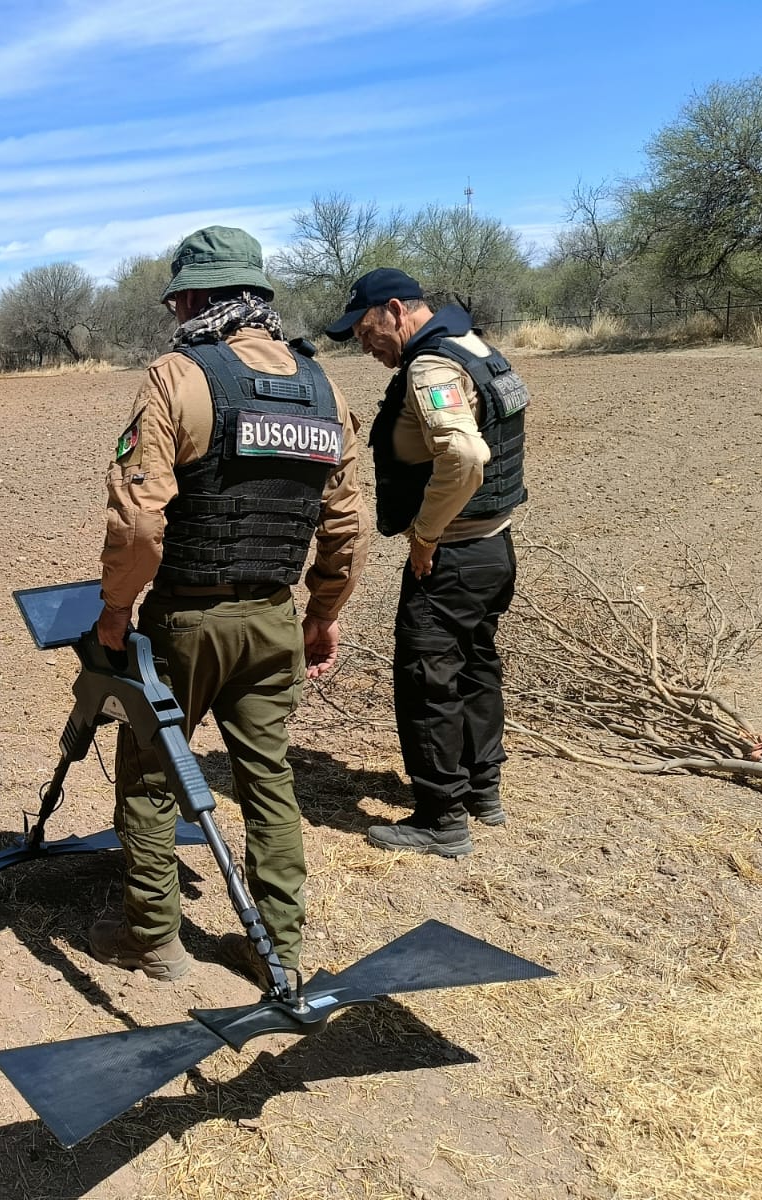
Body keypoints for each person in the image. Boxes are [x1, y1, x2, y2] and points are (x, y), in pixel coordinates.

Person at [89, 225, 365, 985]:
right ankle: (280, 945)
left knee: (151, 773)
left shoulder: (178, 377)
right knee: (269, 779)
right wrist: (322, 614)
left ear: (199, 298)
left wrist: (117, 610)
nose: (176, 310)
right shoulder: (323, 387)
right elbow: (347, 522)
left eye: (179, 296)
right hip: (276, 616)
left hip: (187, 619)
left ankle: (155, 941)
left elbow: (142, 519)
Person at [323, 268, 528, 858]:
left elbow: (465, 453)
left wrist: (426, 537)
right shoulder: (476, 346)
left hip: (455, 553)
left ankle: (442, 818)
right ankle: (484, 792)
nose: (365, 345)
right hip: (495, 548)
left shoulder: (430, 365)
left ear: (394, 310)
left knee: (427, 680)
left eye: (365, 330)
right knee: (475, 666)